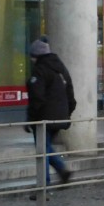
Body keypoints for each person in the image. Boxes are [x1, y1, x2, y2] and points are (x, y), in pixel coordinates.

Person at [26, 36, 76, 189]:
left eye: (32, 57)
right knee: (46, 147)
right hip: (60, 117)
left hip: (44, 118)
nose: (31, 60)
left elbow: (37, 97)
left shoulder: (40, 70)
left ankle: (44, 183)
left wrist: (31, 119)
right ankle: (62, 171)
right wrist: (67, 113)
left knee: (42, 150)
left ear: (36, 56)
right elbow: (71, 95)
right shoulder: (60, 68)